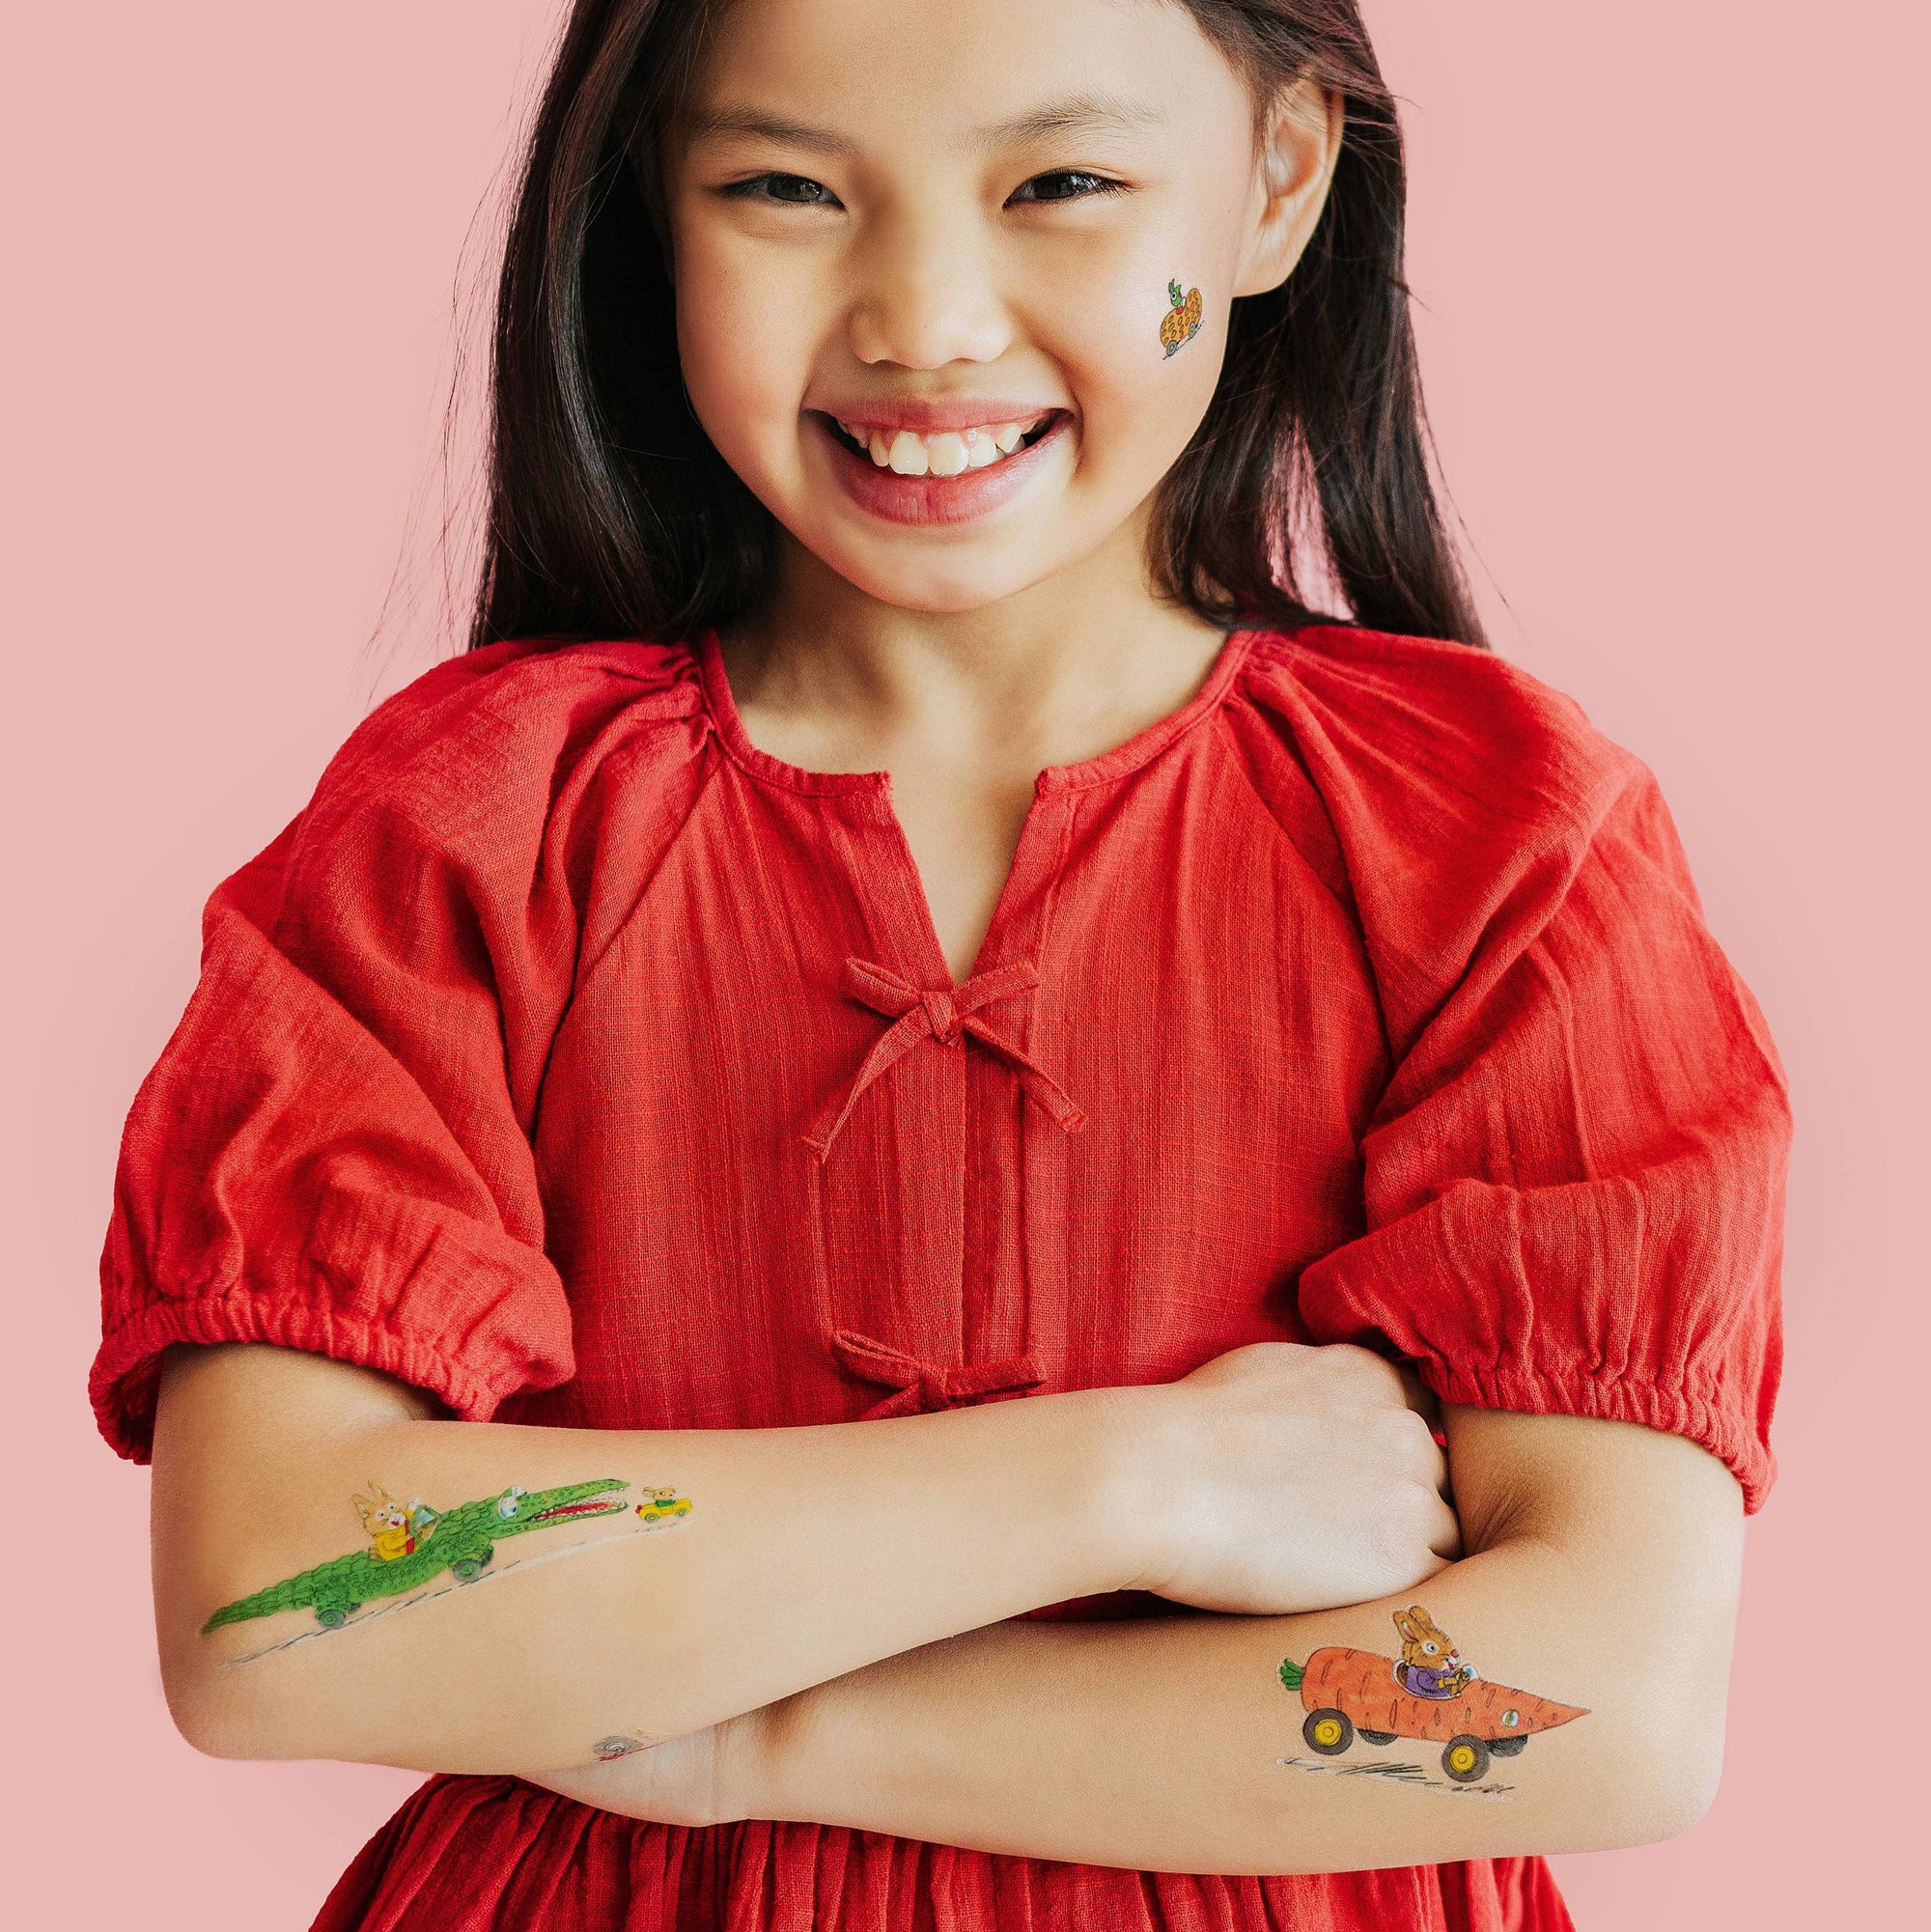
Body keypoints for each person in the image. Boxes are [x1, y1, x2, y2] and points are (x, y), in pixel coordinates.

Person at [89, 1, 1790, 1926]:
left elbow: (1602, 1697)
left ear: (1281, 179)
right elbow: (274, 1608)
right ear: (653, 203)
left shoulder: (1495, 839)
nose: (927, 320)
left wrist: (761, 1740)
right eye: (784, 189)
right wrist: (1135, 1477)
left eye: (1061, 182)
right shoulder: (465, 825)